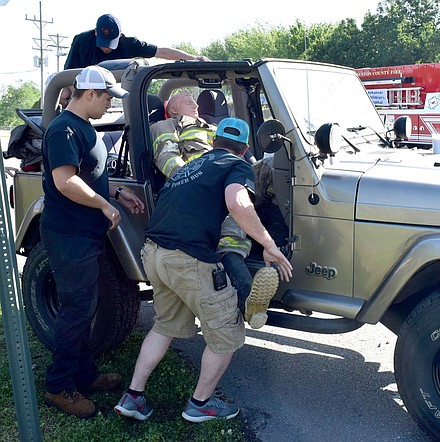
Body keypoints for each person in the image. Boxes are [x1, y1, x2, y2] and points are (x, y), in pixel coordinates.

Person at [114, 117, 293, 422]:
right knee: (226, 335)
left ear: (214, 141)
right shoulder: (235, 165)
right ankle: (201, 404)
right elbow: (237, 203)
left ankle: (133, 397)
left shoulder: (192, 166)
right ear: (245, 148)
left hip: (154, 254)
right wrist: (268, 244)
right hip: (188, 259)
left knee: (164, 325)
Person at [40, 65, 145, 419]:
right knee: (76, 311)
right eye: (106, 99)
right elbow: (65, 181)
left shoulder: (83, 127)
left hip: (84, 234)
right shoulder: (64, 129)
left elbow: (90, 176)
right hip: (69, 235)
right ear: (89, 94)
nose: (109, 106)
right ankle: (58, 386)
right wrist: (103, 204)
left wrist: (116, 191)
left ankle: (84, 375)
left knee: (85, 307)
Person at [151, 92, 275, 329]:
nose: (196, 104)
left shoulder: (217, 128)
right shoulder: (165, 126)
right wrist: (202, 182)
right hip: (203, 185)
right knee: (230, 233)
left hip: (233, 175)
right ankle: (248, 297)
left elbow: (246, 159)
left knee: (275, 168)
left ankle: (280, 245)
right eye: (188, 101)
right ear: (174, 109)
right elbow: (169, 162)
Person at [64, 14, 208, 69]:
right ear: (96, 32)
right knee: (64, 94)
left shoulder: (130, 44)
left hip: (113, 89)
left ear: (120, 35)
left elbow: (161, 52)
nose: (107, 49)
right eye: (103, 43)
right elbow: (67, 75)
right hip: (83, 90)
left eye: (111, 43)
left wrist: (193, 58)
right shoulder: (81, 41)